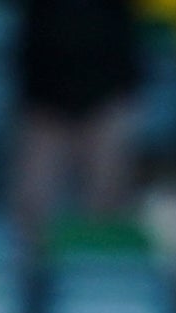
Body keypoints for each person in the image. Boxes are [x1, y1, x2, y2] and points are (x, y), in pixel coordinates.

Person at [15, 0, 143, 236]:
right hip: (44, 102)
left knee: (106, 204)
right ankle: (36, 268)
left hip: (106, 97)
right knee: (33, 204)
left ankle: (98, 270)